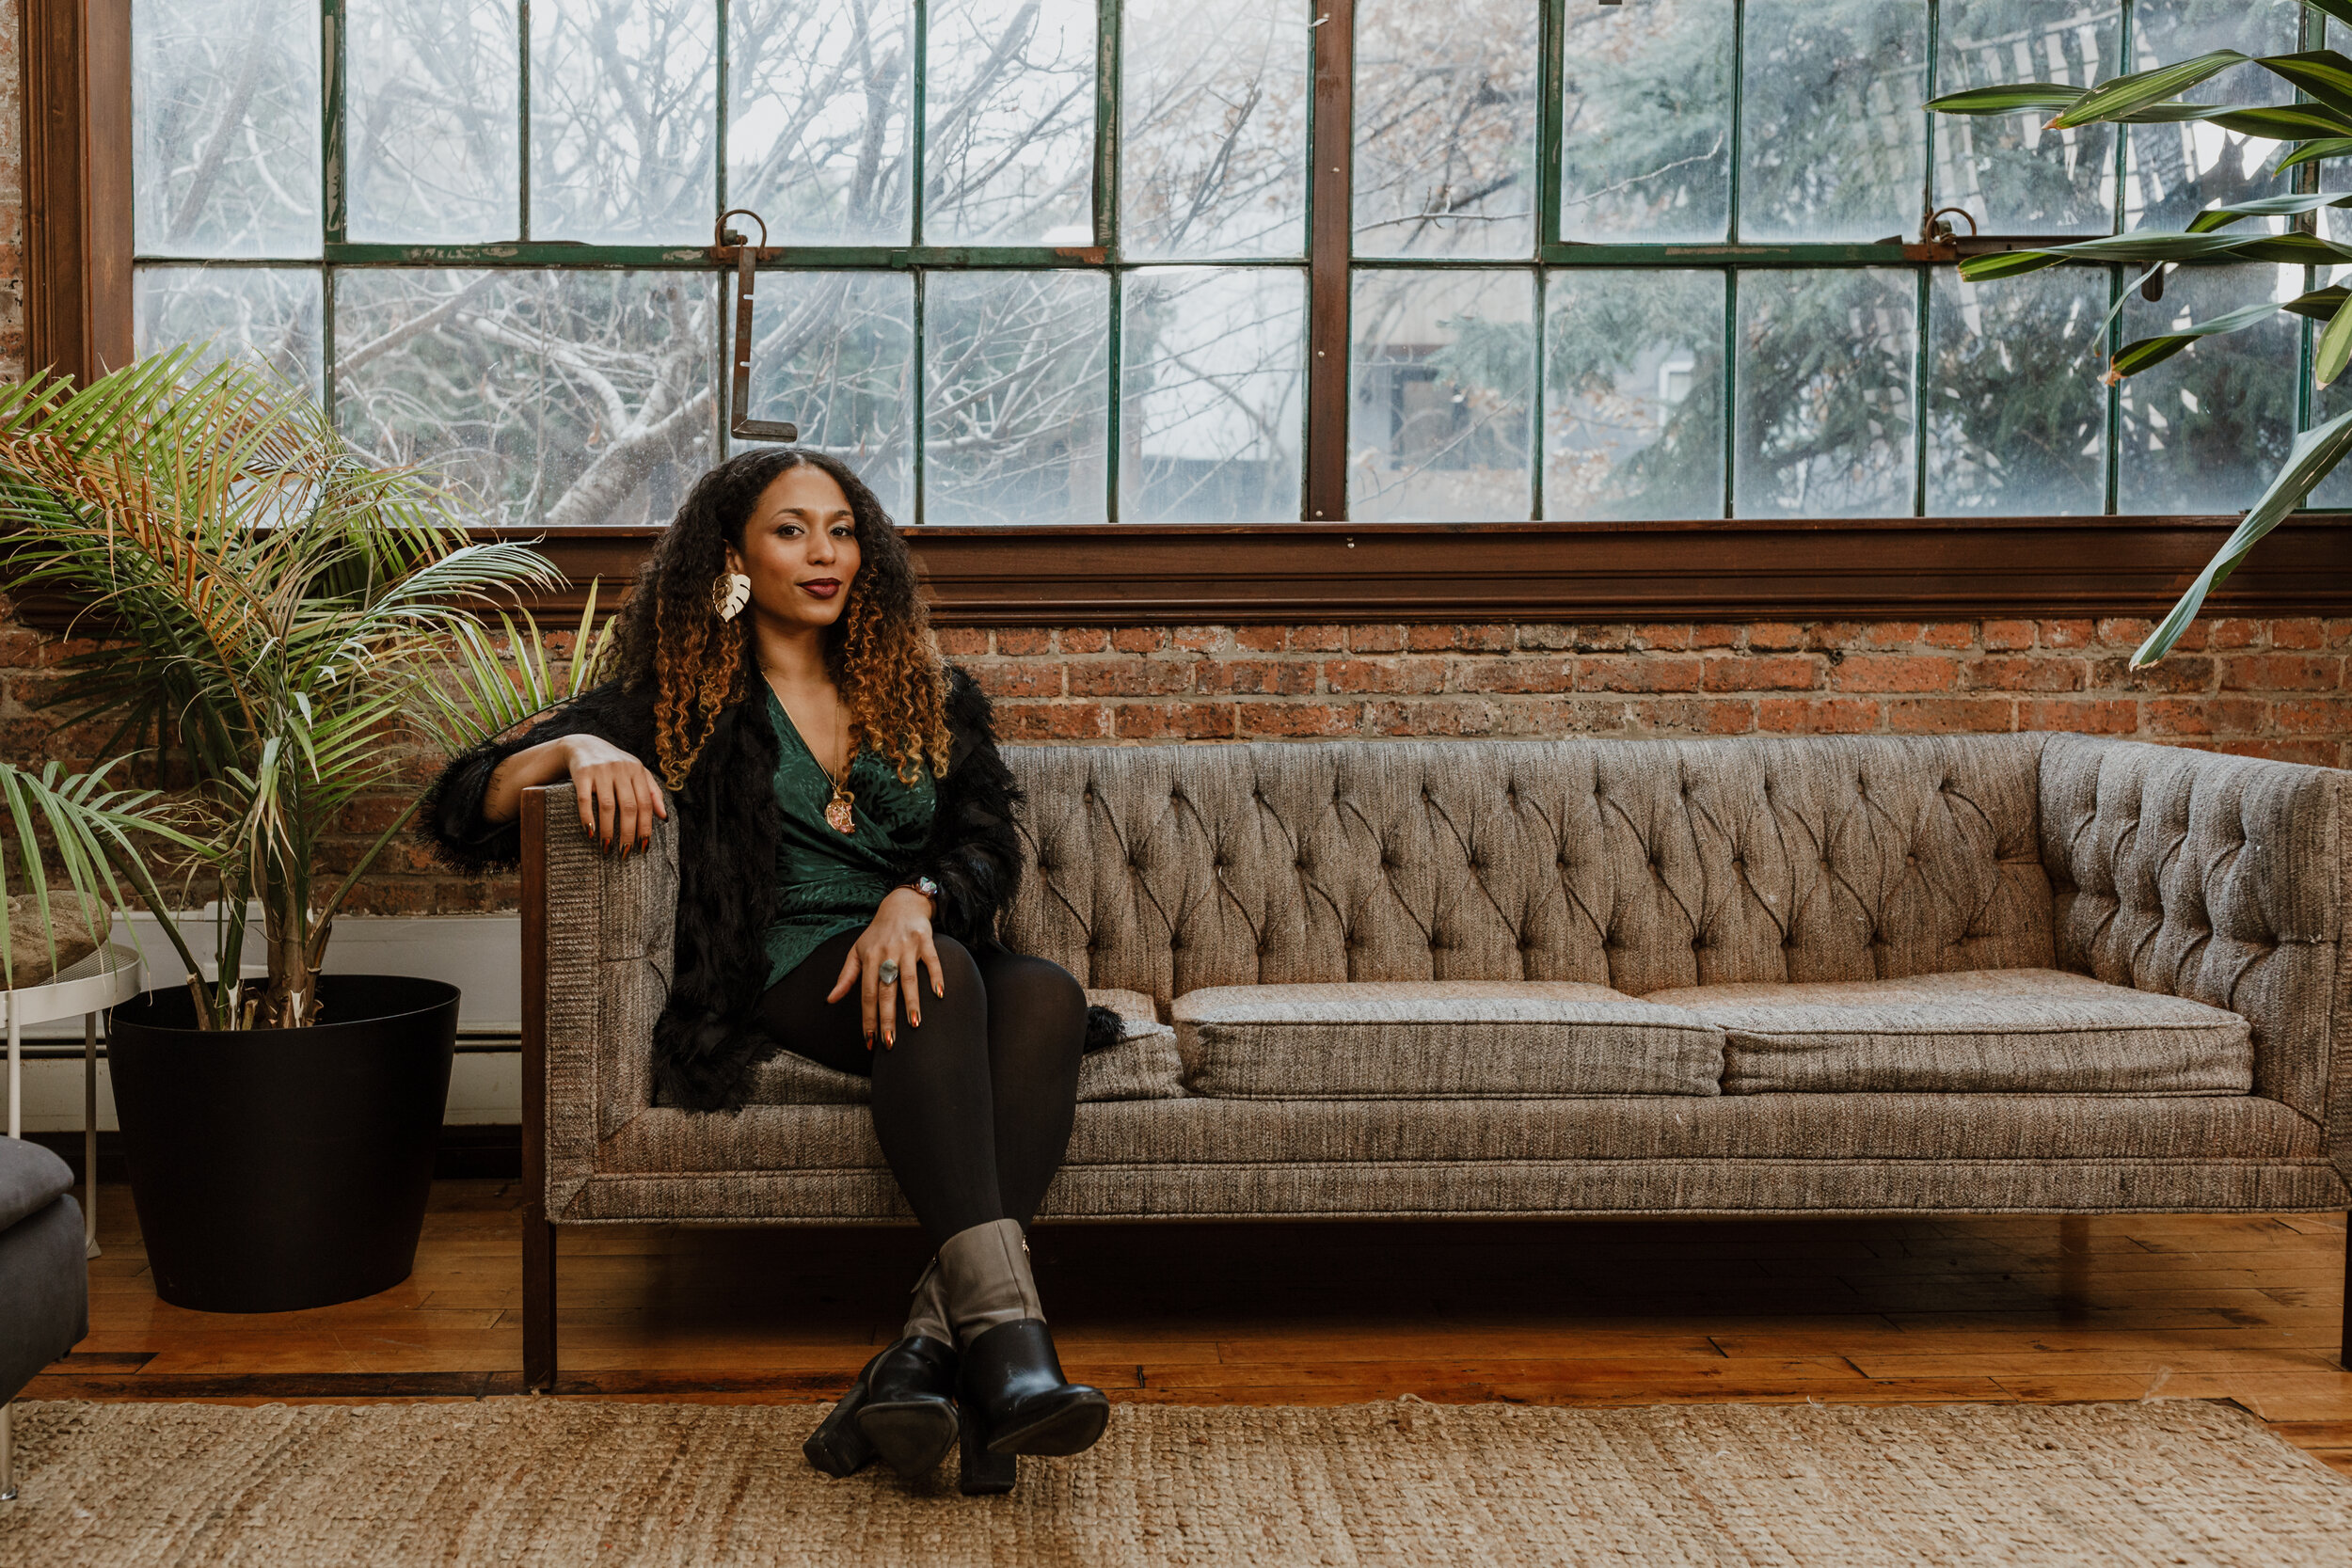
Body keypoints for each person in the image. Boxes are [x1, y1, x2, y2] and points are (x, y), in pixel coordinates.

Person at [421, 448, 1114, 1496]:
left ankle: (924, 1361)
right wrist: (573, 753)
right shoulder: (681, 698)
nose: (824, 552)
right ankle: (1010, 1350)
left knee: (1046, 993)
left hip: (917, 933)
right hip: (787, 959)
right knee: (947, 984)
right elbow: (463, 803)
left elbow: (985, 843)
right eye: (792, 529)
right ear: (735, 557)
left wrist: (914, 896)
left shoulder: (924, 691)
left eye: (840, 530)